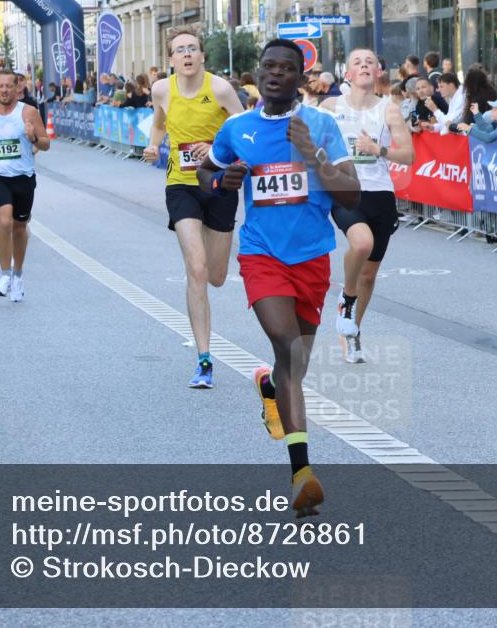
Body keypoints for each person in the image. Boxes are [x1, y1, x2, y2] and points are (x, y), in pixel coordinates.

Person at [197, 38, 361, 517]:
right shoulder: (237, 128)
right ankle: (302, 474)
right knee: (288, 349)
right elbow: (206, 174)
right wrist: (220, 182)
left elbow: (350, 194)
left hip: (311, 258)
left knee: (294, 367)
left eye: (285, 68)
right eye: (268, 66)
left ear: (300, 77)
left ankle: (270, 385)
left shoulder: (322, 124)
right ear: (259, 72)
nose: (275, 74)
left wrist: (312, 153)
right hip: (261, 254)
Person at [141, 26, 245, 388]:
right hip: (181, 185)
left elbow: (246, 130)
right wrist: (153, 145)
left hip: (218, 184)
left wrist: (216, 148)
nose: (186, 54)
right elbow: (159, 125)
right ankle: (204, 359)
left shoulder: (220, 89)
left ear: (202, 56)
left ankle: (204, 354)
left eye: (192, 48)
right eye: (180, 50)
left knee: (216, 276)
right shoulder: (161, 89)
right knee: (196, 269)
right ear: (171, 59)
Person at [320, 48, 415, 362]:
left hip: (380, 193)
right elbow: (306, 141)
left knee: (370, 275)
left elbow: (409, 156)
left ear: (378, 72)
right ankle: (347, 298)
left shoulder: (389, 110)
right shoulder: (330, 107)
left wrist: (378, 149)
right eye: (357, 62)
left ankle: (352, 332)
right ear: (347, 74)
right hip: (346, 189)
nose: (364, 66)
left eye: (369, 62)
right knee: (361, 243)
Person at [0, 68, 51, 303]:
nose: (4, 90)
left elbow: (46, 143)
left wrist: (33, 137)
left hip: (23, 177)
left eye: (9, 86)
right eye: (1, 86)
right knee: (5, 221)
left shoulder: (28, 112)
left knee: (19, 227)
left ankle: (17, 276)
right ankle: (5, 274)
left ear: (17, 88)